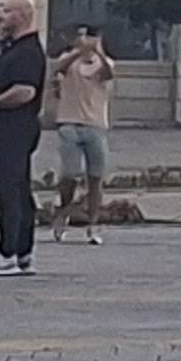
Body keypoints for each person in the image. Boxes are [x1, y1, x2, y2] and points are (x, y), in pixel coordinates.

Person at [0, 0, 46, 278]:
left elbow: (24, 91)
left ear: (22, 15)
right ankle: (22, 251)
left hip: (16, 127)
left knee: (9, 189)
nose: (0, 16)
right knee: (17, 187)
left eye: (7, 11)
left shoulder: (27, 52)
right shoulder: (13, 49)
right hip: (11, 127)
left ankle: (10, 251)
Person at [46, 21, 114, 247]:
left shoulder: (103, 63)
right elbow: (56, 69)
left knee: (96, 177)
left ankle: (92, 224)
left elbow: (108, 73)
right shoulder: (70, 62)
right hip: (69, 123)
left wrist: (98, 51)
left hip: (95, 125)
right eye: (81, 37)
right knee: (70, 174)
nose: (85, 41)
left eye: (89, 37)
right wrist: (77, 52)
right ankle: (62, 212)